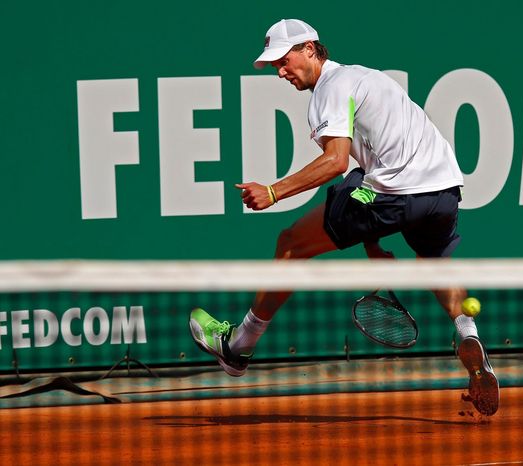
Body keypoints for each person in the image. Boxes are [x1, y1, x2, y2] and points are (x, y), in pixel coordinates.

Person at [189, 18, 499, 416]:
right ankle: (468, 334)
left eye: (284, 60)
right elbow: (366, 173)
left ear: (309, 49)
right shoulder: (367, 77)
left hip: (393, 193)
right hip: (442, 191)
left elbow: (335, 162)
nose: (281, 71)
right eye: (274, 66)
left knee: (291, 243)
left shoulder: (329, 90)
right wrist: (371, 240)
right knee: (434, 263)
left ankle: (239, 346)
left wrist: (273, 191)